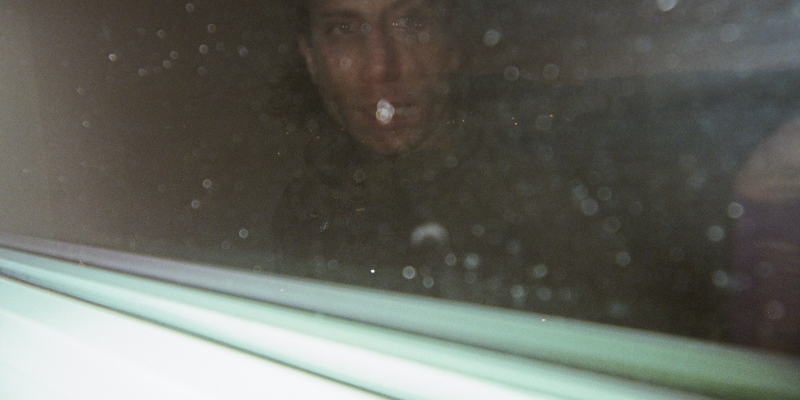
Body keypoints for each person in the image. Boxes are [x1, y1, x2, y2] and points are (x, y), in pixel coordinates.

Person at [268, 0, 797, 340]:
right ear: (312, 59)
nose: (381, 65)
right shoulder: (303, 209)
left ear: (452, 44)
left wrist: (756, 192)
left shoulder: (551, 152)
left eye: (410, 22)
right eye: (343, 30)